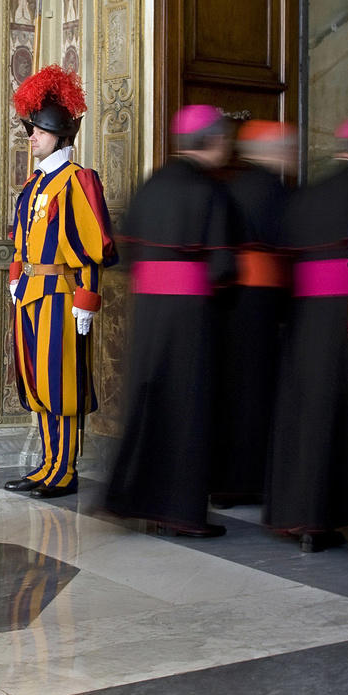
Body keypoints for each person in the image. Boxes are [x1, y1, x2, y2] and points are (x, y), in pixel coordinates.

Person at [264, 117, 348, 552]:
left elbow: (282, 262)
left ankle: (308, 522)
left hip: (308, 327)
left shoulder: (305, 196)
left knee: (312, 422)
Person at [104, 105, 238, 537]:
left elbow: (124, 255)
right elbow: (222, 266)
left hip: (148, 315)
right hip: (190, 317)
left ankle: (138, 502)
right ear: (214, 142)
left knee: (148, 404)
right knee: (187, 410)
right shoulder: (210, 189)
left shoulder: (151, 184)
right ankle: (183, 514)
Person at [3, 65, 117, 499]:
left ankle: (64, 470)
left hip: (63, 297)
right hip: (31, 295)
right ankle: (47, 463)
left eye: (37, 131)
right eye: (30, 129)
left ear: (60, 134)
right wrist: (17, 279)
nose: (30, 137)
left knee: (62, 383)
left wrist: (86, 301)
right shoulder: (33, 185)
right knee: (37, 382)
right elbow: (19, 244)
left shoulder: (78, 181)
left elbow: (94, 248)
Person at [210, 120, 292, 508]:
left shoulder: (227, 186)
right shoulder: (274, 189)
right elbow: (286, 244)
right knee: (256, 394)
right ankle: (252, 481)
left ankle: (223, 482)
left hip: (226, 302)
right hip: (261, 304)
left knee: (227, 392)